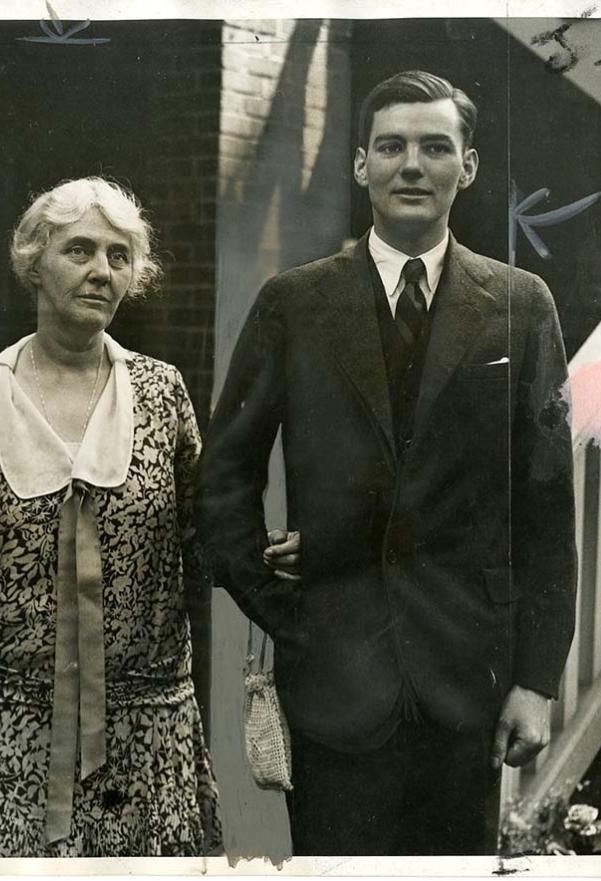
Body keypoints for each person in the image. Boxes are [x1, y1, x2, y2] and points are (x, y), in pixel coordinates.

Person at [196, 70, 576, 856]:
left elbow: (548, 508)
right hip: (333, 678)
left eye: (436, 147)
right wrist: (286, 612)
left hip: (466, 683)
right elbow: (223, 477)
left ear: (466, 167)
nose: (413, 164)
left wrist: (536, 680)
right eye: (392, 145)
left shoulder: (521, 303)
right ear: (360, 165)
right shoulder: (294, 303)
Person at [0, 178, 221, 857]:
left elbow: (207, 539)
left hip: (146, 741)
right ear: (33, 260)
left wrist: (270, 550)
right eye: (79, 249)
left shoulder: (162, 392)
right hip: (1, 738)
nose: (101, 271)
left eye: (119, 256)